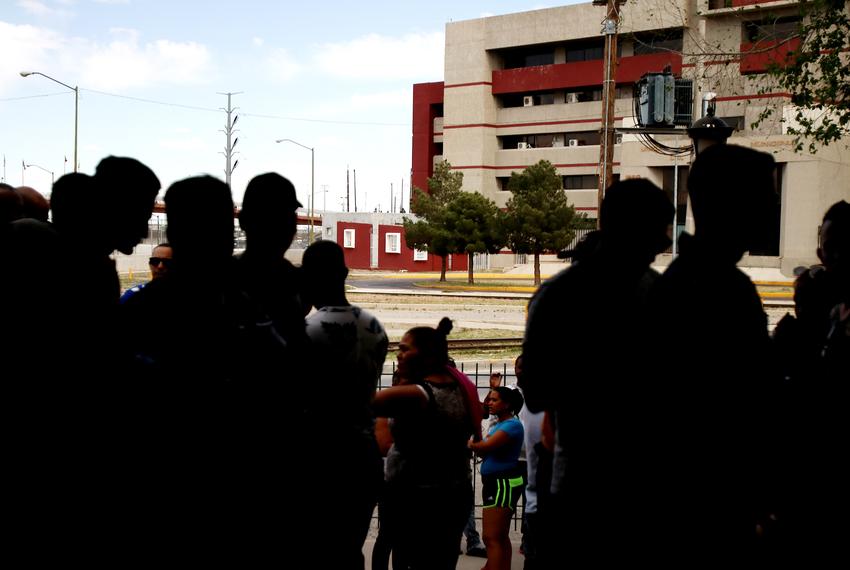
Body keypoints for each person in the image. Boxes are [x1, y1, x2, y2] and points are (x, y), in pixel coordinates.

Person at [520, 179, 673, 566]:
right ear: (626, 228)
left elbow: (536, 392)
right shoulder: (660, 294)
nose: (664, 243)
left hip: (581, 485)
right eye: (659, 229)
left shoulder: (557, 296)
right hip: (626, 492)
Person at [648, 144, 780, 563]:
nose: (772, 208)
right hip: (707, 515)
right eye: (766, 197)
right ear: (735, 204)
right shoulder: (717, 291)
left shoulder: (696, 281)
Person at [300, 239, 388, 569]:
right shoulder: (374, 326)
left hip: (319, 451)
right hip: (361, 451)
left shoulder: (307, 330)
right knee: (350, 548)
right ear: (345, 273)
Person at [373, 318, 477, 570]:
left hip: (418, 498)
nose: (398, 355)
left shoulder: (418, 393)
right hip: (452, 492)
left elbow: (359, 404)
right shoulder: (458, 387)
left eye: (405, 349)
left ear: (427, 355)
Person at [469, 386, 526, 570]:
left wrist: (471, 442)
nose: (489, 403)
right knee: (500, 536)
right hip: (495, 482)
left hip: (502, 483)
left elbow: (483, 448)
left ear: (507, 404)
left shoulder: (512, 425)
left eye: (494, 400)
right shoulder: (500, 424)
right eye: (489, 399)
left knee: (491, 537)